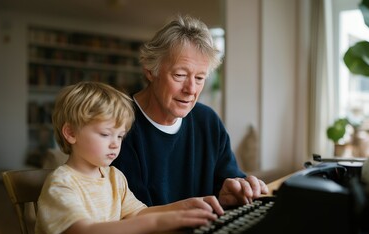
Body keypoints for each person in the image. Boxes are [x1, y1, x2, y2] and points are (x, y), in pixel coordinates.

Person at [112, 15, 269, 208]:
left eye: (200, 78)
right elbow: (132, 214)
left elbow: (228, 183)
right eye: (180, 75)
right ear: (150, 71)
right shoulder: (118, 125)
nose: (191, 89)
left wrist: (236, 192)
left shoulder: (208, 121)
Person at [34, 81, 224, 234]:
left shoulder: (114, 177)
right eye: (106, 134)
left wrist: (183, 206)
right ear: (71, 133)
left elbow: (139, 213)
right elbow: (88, 233)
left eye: (120, 136)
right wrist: (159, 223)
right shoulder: (61, 185)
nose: (115, 144)